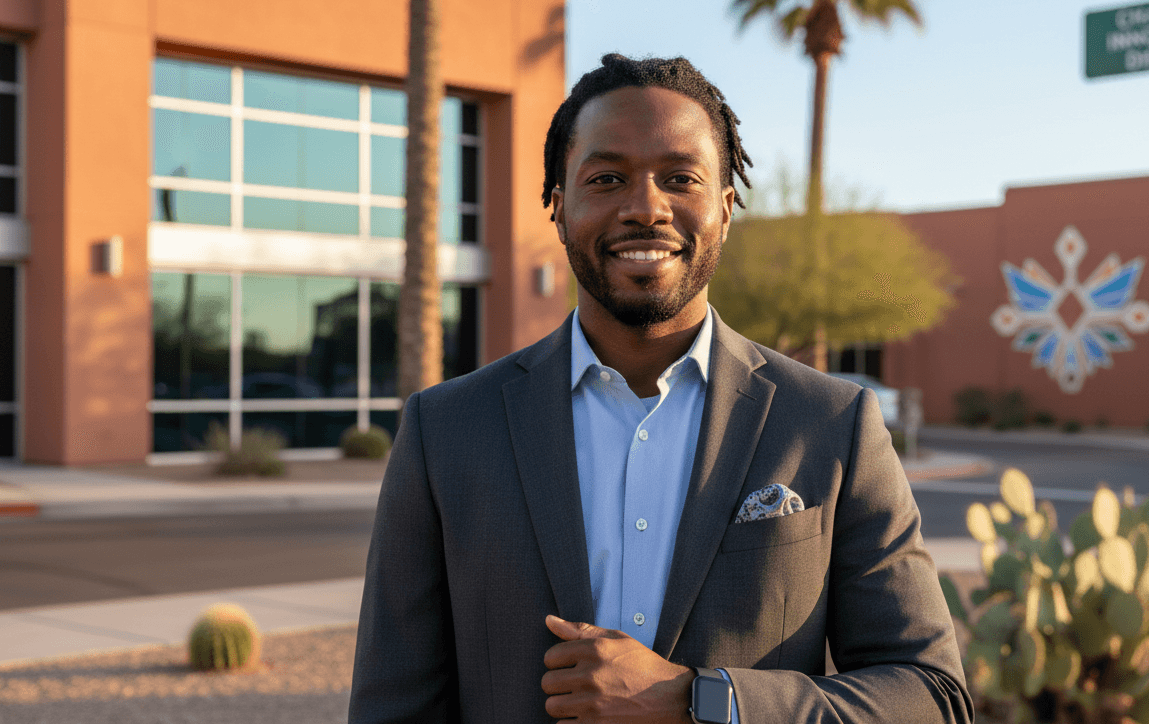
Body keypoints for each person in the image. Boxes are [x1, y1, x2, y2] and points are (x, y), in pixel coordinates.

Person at [348, 53, 972, 724]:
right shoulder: (446, 431)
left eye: (680, 178)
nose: (646, 208)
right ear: (558, 207)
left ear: (726, 209)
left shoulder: (829, 422)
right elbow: (393, 706)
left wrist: (703, 700)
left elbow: (930, 696)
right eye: (607, 178)